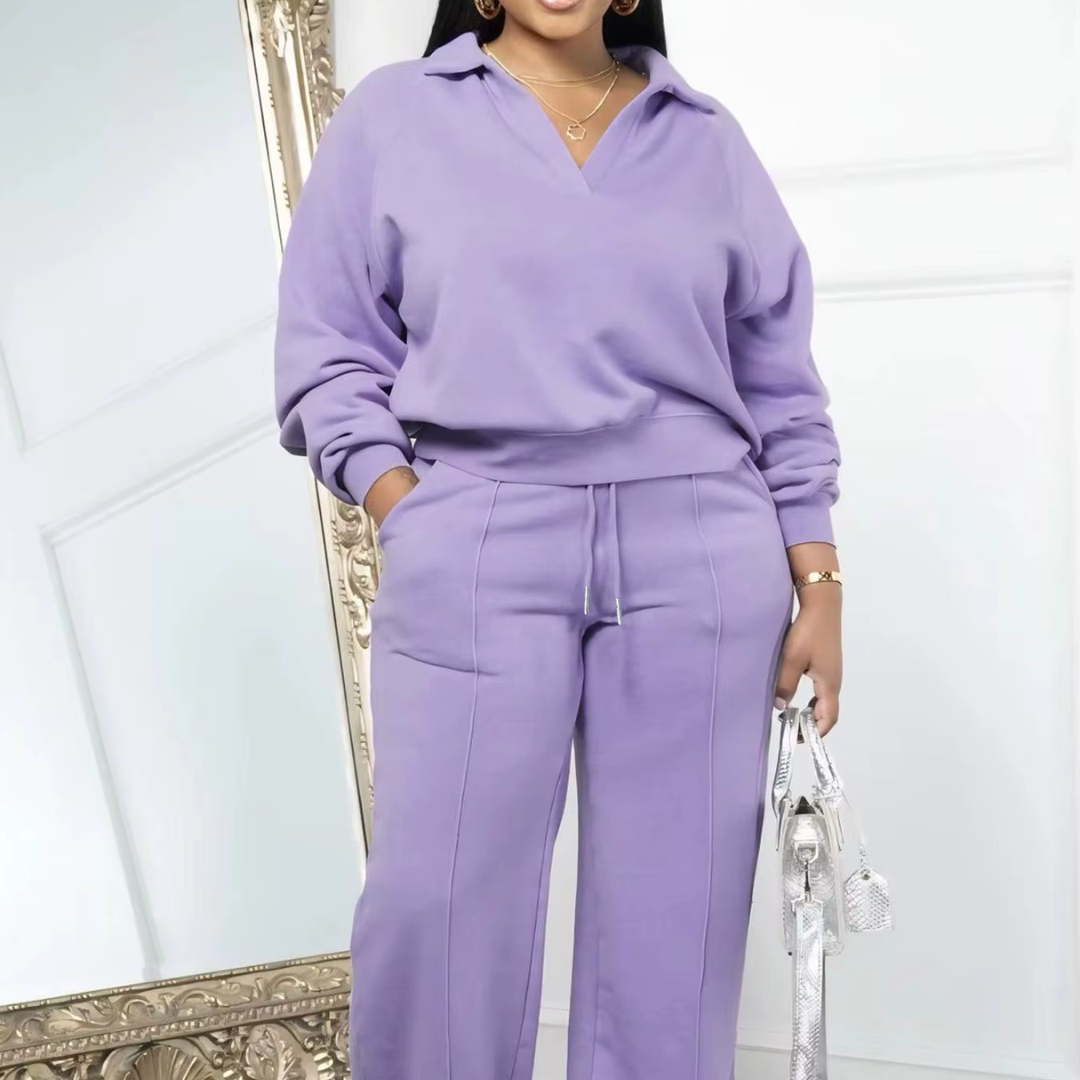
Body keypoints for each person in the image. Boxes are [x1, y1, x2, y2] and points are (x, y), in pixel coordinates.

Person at [273, 0, 843, 1077]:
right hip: (480, 532)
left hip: (699, 547)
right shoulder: (395, 117)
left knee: (674, 943)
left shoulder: (704, 137)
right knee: (437, 918)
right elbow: (328, 345)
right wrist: (405, 504)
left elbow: (779, 376)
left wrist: (818, 579)